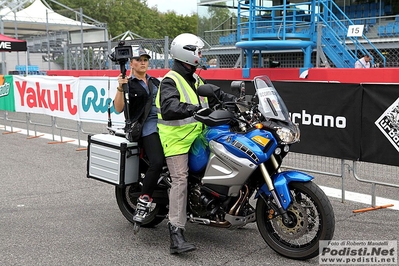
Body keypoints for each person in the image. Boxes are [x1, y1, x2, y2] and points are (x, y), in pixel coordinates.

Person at [155, 33, 236, 254]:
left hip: (199, 136)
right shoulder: (170, 80)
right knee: (180, 179)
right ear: (187, 53)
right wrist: (194, 109)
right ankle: (176, 233)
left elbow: (216, 95)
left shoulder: (196, 80)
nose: (201, 56)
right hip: (177, 141)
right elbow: (170, 107)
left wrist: (237, 102)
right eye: (198, 52)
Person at [113, 46, 164, 224]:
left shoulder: (156, 82)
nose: (143, 62)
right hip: (146, 127)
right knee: (157, 161)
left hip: (165, 125)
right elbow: (118, 108)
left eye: (145, 60)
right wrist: (120, 88)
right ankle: (144, 200)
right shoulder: (128, 83)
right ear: (131, 63)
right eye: (138, 60)